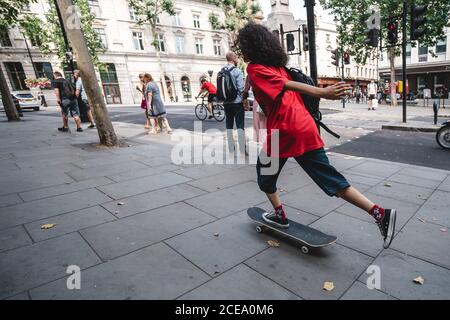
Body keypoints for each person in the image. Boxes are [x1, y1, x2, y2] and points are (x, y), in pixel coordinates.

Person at [235, 23, 397, 249]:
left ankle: (279, 214)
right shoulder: (278, 66)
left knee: (265, 174)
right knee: (330, 178)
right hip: (305, 126)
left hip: (283, 131)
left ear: (249, 46)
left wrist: (323, 92)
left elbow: (286, 85)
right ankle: (380, 213)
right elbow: (285, 84)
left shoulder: (255, 68)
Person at [222, 52, 245, 154]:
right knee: (240, 126)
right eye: (236, 57)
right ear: (233, 58)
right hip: (237, 102)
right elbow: (241, 88)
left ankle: (231, 148)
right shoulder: (237, 71)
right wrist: (244, 99)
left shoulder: (221, 71)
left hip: (226, 102)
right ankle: (242, 149)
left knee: (229, 125)